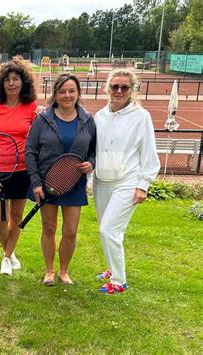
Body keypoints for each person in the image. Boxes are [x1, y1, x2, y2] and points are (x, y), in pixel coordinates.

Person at [25, 73, 96, 285]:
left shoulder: (88, 120)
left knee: (71, 231)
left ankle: (64, 272)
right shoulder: (42, 119)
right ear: (55, 94)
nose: (67, 95)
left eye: (71, 91)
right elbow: (30, 151)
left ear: (78, 93)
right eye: (62, 91)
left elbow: (93, 151)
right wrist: (36, 183)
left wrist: (91, 164)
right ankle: (49, 271)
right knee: (49, 228)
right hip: (47, 184)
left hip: (74, 184)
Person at [93, 69, 160, 294]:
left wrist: (143, 185)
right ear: (108, 89)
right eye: (115, 87)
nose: (119, 91)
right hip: (102, 181)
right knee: (108, 228)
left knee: (108, 230)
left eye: (124, 87)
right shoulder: (100, 116)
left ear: (132, 90)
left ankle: (119, 282)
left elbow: (149, 154)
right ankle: (111, 269)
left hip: (127, 181)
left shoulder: (141, 117)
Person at [0, 59, 38, 276]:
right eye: (7, 80)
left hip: (22, 171)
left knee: (16, 218)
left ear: (23, 82)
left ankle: (6, 257)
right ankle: (10, 252)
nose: (11, 84)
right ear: (2, 83)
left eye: (16, 79)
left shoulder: (32, 106)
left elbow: (36, 139)